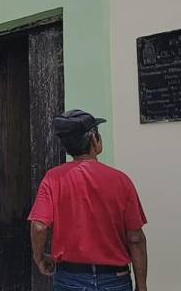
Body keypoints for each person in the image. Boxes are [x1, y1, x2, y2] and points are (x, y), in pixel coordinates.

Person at [29, 110, 148, 291]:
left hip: (70, 279)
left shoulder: (53, 179)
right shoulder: (121, 181)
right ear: (94, 139)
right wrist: (141, 286)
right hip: (115, 279)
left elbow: (39, 226)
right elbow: (136, 238)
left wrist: (39, 258)